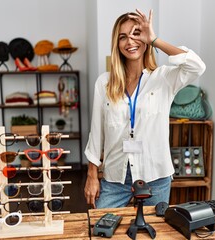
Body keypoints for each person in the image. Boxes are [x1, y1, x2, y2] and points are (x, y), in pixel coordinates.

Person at [84, 9, 206, 209]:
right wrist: (91, 175)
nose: (130, 41)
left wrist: (154, 39)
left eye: (136, 34)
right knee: (103, 229)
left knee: (154, 233)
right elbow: (96, 134)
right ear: (117, 43)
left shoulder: (163, 78)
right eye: (123, 37)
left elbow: (196, 66)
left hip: (155, 175)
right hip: (115, 176)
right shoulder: (104, 83)